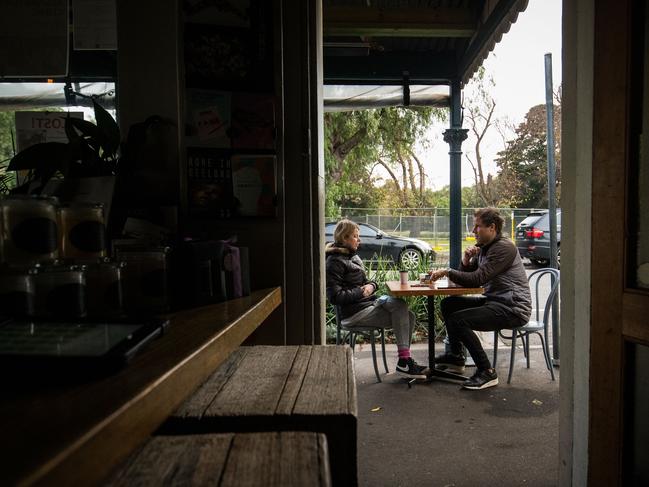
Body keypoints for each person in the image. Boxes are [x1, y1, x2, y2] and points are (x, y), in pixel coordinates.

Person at [429, 207, 532, 390]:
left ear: (492, 227)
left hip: (513, 308)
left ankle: (486, 371)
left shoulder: (504, 248)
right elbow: (467, 276)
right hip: (496, 301)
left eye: (477, 227)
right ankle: (456, 357)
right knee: (449, 304)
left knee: (458, 320)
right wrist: (466, 259)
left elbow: (478, 279)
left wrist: (447, 271)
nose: (473, 231)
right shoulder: (485, 248)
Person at [326, 219, 428, 379]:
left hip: (368, 305)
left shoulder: (353, 258)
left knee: (408, 314)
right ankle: (404, 362)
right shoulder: (334, 262)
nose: (359, 240)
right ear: (344, 238)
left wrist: (371, 286)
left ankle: (405, 360)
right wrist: (361, 292)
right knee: (402, 310)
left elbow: (369, 282)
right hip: (354, 314)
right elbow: (335, 297)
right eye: (355, 236)